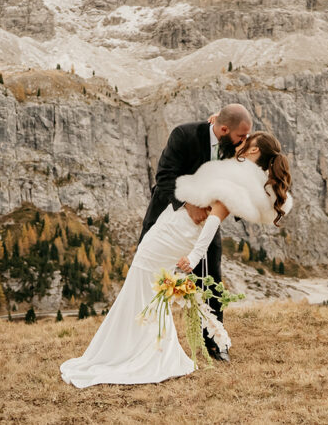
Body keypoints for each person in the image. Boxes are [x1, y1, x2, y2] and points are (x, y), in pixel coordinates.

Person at [59, 132, 292, 388]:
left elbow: (214, 219)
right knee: (146, 290)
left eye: (248, 142)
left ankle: (132, 354)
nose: (242, 143)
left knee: (140, 287)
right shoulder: (246, 177)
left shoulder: (239, 179)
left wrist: (193, 257)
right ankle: (150, 351)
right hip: (174, 229)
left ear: (253, 150)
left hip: (174, 233)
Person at [138, 103, 252, 360]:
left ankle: (215, 341)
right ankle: (144, 340)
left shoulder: (234, 147)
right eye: (240, 136)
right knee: (148, 277)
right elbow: (165, 177)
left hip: (206, 225)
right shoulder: (184, 135)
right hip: (167, 220)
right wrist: (189, 205)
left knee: (212, 278)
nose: (243, 142)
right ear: (223, 129)